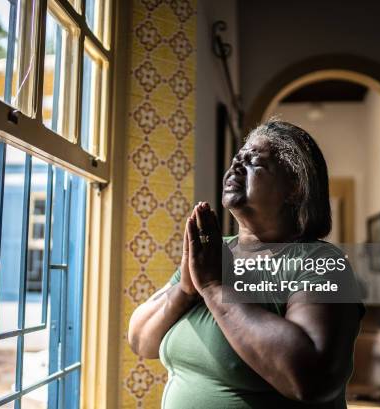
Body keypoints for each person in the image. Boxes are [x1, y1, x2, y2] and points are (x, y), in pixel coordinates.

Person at [128, 120, 363, 408]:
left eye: (254, 162)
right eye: (238, 158)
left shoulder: (322, 264)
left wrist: (215, 289)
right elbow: (140, 340)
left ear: (295, 187)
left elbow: (310, 380)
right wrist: (186, 291)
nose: (237, 166)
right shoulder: (214, 252)